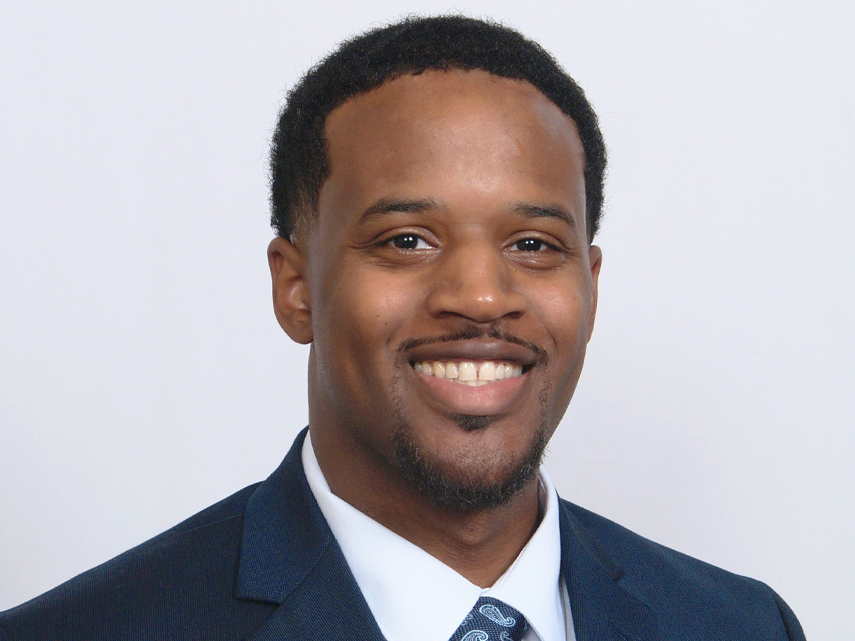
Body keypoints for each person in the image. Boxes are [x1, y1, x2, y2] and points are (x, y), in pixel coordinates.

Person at [0, 15, 806, 641]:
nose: (481, 297)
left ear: (588, 287)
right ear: (296, 288)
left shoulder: (738, 623)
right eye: (406, 240)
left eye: (533, 244)